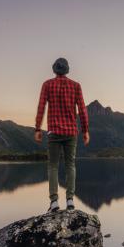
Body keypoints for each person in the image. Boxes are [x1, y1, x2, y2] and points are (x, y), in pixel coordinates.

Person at [34, 57, 90, 212]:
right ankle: (70, 200)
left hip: (53, 131)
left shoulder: (47, 85)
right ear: (67, 70)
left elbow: (41, 107)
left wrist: (38, 128)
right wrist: (85, 130)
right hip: (71, 131)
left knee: (53, 165)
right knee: (70, 164)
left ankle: (54, 202)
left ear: (54, 69)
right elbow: (83, 110)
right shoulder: (76, 86)